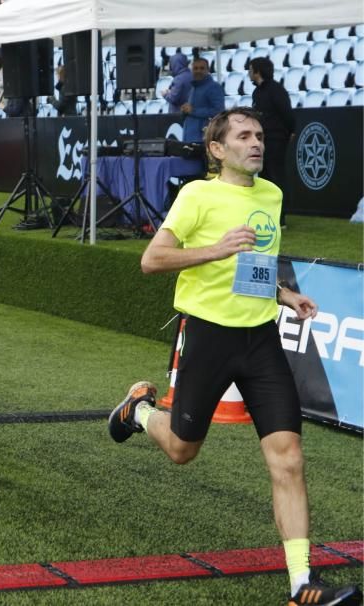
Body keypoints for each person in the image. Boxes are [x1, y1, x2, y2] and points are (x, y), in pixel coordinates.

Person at [107, 107, 362, 606]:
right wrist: (215, 249)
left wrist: (284, 295)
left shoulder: (272, 194)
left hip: (261, 338)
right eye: (243, 136)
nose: (256, 143)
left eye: (260, 135)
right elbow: (151, 260)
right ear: (217, 150)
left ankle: (301, 585)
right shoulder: (196, 195)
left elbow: (256, 265)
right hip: (207, 336)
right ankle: (138, 410)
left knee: (288, 458)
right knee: (183, 449)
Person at [250, 57, 295, 229]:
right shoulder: (257, 92)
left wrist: (291, 131)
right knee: (264, 177)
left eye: (251, 69)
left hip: (276, 139)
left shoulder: (276, 90)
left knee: (276, 177)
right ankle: (267, 214)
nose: (249, 73)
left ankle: (281, 217)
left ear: (257, 71)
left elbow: (287, 112)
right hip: (262, 139)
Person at [181, 57, 225, 143]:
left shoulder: (214, 87)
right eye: (195, 68)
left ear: (208, 70)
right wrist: (185, 110)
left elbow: (219, 111)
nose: (198, 71)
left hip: (203, 139)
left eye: (202, 68)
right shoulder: (193, 88)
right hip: (189, 138)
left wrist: (193, 111)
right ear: (191, 70)